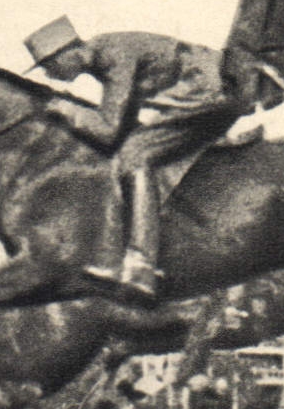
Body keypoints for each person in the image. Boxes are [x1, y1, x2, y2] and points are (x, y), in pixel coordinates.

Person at [23, 16, 249, 302]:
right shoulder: (107, 53)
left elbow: (108, 130)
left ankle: (141, 264)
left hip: (209, 92)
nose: (49, 74)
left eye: (48, 65)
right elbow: (121, 119)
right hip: (209, 88)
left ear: (68, 52)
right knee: (132, 148)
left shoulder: (113, 56)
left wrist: (69, 111)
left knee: (134, 155)